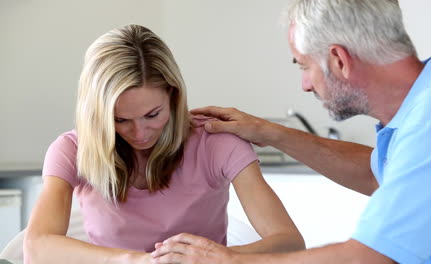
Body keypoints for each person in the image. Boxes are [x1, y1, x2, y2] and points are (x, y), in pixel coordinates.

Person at [151, 0, 431, 263]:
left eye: (304, 66)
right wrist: (269, 132)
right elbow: (376, 174)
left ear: (339, 59)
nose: (305, 84)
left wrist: (228, 259)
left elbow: (368, 258)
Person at [23, 24, 305, 264]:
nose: (139, 133)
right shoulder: (72, 149)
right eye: (120, 120)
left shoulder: (217, 143)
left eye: (152, 114)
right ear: (97, 114)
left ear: (173, 95)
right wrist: (136, 261)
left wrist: (219, 258)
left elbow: (290, 243)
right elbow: (35, 248)